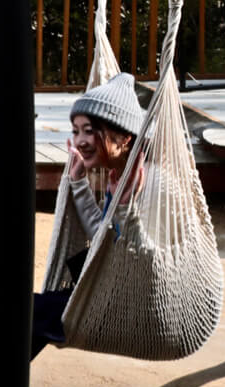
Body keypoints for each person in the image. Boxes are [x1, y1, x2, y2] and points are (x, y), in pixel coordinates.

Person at [31, 72, 147, 358]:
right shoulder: (117, 177)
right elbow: (102, 236)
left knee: (29, 313)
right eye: (76, 131)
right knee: (32, 311)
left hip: (131, 302)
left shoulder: (149, 185)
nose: (80, 141)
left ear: (123, 137)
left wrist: (119, 208)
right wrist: (79, 183)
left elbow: (141, 256)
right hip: (105, 289)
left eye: (89, 130)